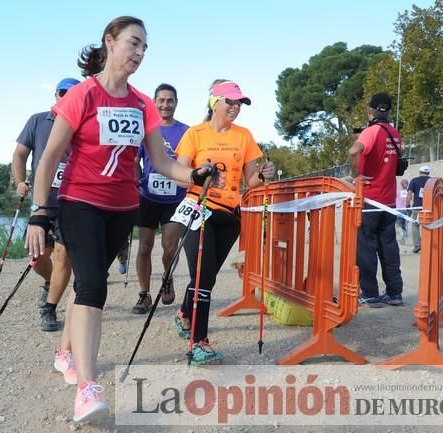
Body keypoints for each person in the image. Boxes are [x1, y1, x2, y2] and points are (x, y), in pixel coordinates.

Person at [24, 16, 214, 423]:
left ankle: (64, 352)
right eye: (133, 43)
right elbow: (49, 158)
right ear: (109, 43)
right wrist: (40, 213)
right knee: (94, 286)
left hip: (122, 208)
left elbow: (161, 161)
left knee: (87, 285)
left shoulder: (143, 103)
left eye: (145, 48)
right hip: (79, 203)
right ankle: (87, 390)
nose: (139, 53)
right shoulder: (83, 96)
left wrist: (193, 175)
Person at [173, 80, 275, 365]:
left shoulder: (244, 136)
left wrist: (264, 174)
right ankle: (198, 342)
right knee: (204, 277)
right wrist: (198, 173)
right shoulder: (195, 134)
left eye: (239, 103)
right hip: (198, 209)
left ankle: (184, 314)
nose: (235, 107)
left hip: (230, 216)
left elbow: (251, 181)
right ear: (214, 102)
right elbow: (178, 173)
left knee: (207, 276)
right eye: (230, 101)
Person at [12, 77, 80, 331]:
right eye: (63, 92)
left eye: (73, 94)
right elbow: (19, 154)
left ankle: (49, 308)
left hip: (71, 202)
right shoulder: (38, 120)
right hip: (41, 203)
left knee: (63, 256)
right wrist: (19, 182)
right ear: (55, 95)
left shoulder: (82, 125)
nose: (67, 97)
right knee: (37, 257)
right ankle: (52, 284)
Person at [132, 83, 189, 314]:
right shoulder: (145, 130)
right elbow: (135, 161)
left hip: (175, 198)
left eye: (170, 100)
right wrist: (134, 181)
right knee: (144, 247)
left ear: (176, 103)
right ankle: (144, 294)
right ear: (154, 103)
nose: (166, 104)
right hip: (147, 197)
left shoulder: (186, 131)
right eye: (161, 100)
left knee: (169, 248)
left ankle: (168, 277)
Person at [347, 92, 404, 308]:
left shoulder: (371, 132)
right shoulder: (395, 133)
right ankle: (394, 293)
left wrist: (356, 175)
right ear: (388, 111)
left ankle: (370, 294)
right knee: (389, 247)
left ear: (369, 110)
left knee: (366, 248)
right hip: (389, 201)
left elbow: (354, 152)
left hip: (370, 200)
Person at [407, 166, 431, 253]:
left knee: (415, 226)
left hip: (417, 207)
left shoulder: (414, 180)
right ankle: (428, 245)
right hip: (429, 207)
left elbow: (409, 193)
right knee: (428, 226)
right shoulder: (432, 181)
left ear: (419, 172)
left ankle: (417, 245)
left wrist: (407, 205)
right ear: (428, 173)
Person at [395, 178, 409, 244]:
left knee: (398, 225)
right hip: (407, 210)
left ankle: (402, 236)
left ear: (401, 184)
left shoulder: (397, 191)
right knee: (404, 225)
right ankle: (404, 240)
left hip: (399, 210)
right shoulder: (408, 192)